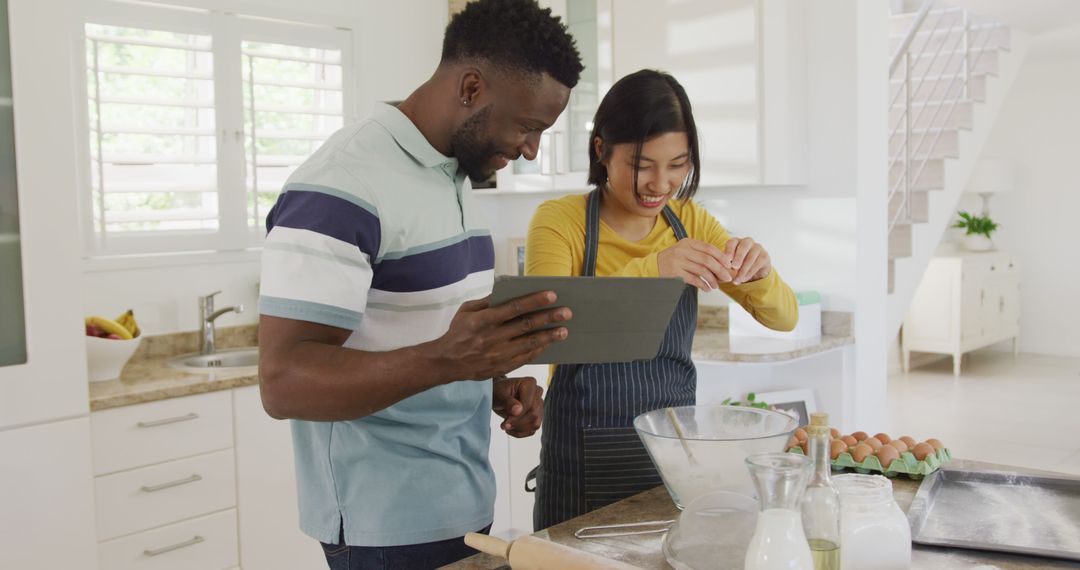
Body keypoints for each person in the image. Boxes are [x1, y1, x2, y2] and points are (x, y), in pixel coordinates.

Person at [256, 1, 584, 567]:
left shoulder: (453, 173)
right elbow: (283, 382)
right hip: (381, 527)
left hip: (463, 505)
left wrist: (492, 382)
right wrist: (449, 361)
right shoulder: (342, 181)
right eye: (528, 127)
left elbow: (427, 339)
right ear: (472, 87)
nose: (531, 149)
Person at [526, 69, 800, 529]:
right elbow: (543, 332)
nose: (661, 183)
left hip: (671, 466)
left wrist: (760, 271)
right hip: (580, 472)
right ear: (601, 151)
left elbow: (784, 317)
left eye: (678, 164)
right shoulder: (560, 221)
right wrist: (653, 270)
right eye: (642, 165)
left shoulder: (692, 222)